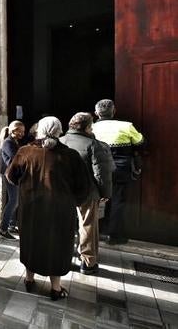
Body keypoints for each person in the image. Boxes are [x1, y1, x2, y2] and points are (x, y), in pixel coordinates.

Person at [6, 116, 89, 301]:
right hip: (60, 210)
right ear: (60, 131)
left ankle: (29, 279)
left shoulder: (25, 152)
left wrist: (25, 184)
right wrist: (73, 201)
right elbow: (83, 187)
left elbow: (11, 176)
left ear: (39, 131)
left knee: (31, 241)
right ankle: (56, 288)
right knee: (57, 245)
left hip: (31, 208)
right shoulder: (71, 155)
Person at [60, 112, 114, 275]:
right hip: (88, 192)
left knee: (65, 224)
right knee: (88, 226)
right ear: (88, 127)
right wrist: (105, 192)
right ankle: (88, 263)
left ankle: (64, 258)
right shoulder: (94, 144)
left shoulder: (60, 141)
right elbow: (101, 173)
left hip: (64, 191)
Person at [92, 99, 144, 245]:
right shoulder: (126, 126)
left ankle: (95, 233)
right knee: (118, 201)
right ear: (114, 111)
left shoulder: (91, 127)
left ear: (96, 113)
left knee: (94, 202)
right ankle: (114, 236)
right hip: (120, 169)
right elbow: (141, 142)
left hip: (97, 170)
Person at [0, 120, 26, 239]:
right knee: (13, 201)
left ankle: (11, 225)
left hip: (13, 175)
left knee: (15, 200)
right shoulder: (8, 142)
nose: (23, 134)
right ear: (14, 131)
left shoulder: (14, 141)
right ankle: (3, 229)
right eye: (21, 131)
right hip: (10, 175)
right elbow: (15, 160)